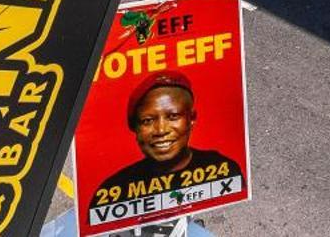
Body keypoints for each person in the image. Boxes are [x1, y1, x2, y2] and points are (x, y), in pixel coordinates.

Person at [89, 73, 240, 213]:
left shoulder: (224, 169)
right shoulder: (112, 192)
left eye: (173, 116)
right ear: (135, 128)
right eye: (147, 121)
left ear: (191, 119)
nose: (161, 130)